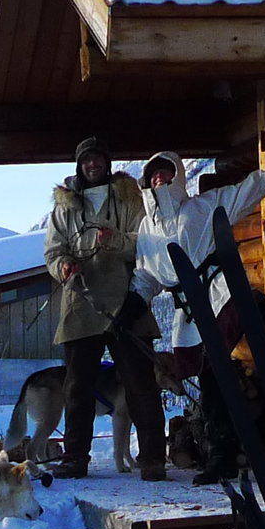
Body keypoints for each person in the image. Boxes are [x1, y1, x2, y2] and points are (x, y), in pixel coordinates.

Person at [135, 142, 265, 483]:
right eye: (153, 174)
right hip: (189, 312)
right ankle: (221, 457)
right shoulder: (146, 231)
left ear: (177, 177)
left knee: (246, 313)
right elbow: (146, 275)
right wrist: (132, 302)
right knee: (212, 381)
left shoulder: (203, 206)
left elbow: (245, 191)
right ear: (147, 183)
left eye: (165, 172)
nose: (159, 178)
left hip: (219, 289)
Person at [44, 136, 165, 480]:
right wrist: (64, 267)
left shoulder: (130, 199)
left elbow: (147, 242)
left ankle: (153, 458)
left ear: (107, 163)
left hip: (128, 301)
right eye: (86, 161)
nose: (92, 165)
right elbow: (52, 253)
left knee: (141, 383)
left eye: (97, 159)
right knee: (77, 387)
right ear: (79, 166)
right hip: (81, 304)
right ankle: (75, 459)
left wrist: (115, 241)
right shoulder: (64, 207)